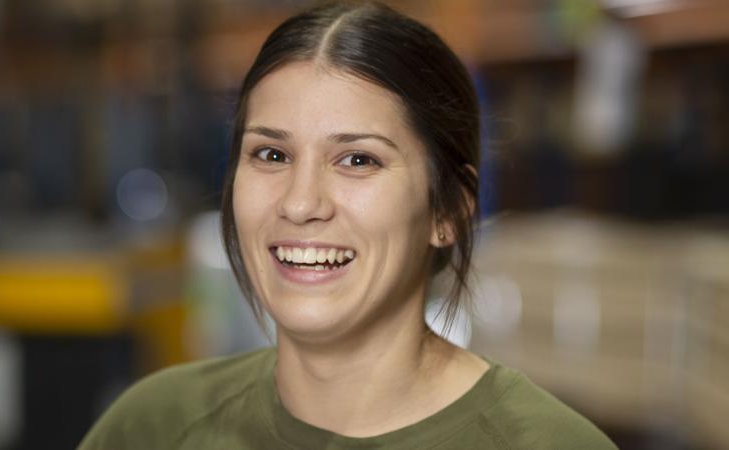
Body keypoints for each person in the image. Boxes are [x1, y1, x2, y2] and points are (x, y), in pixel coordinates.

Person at [79, 2, 618, 449]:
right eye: (270, 154)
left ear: (448, 211)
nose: (301, 202)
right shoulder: (152, 428)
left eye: (358, 160)